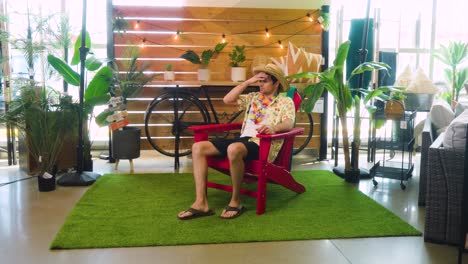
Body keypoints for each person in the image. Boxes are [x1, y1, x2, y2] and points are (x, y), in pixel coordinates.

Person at [177, 63, 296, 220]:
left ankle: (236, 201)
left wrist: (274, 128)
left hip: (262, 143)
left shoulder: (285, 102)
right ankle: (201, 203)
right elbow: (228, 99)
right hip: (242, 140)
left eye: (265, 81)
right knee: (198, 147)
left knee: (234, 149)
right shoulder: (253, 98)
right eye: (259, 81)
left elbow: (289, 123)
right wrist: (248, 82)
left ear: (277, 82)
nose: (260, 84)